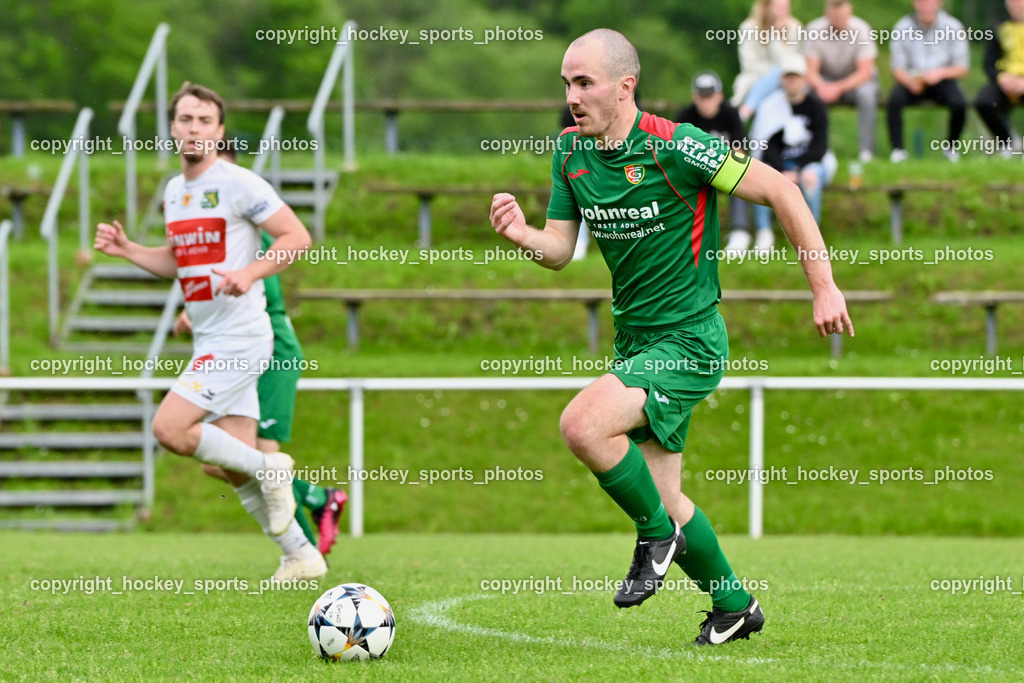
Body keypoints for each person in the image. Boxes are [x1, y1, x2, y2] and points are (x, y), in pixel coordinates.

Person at [490, 29, 853, 645]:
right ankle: (734, 606)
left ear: (624, 86)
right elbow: (560, 248)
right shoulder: (570, 155)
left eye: (584, 82)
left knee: (582, 425)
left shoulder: (679, 146)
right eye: (566, 84)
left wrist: (823, 286)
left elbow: (784, 190)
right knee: (668, 498)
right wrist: (525, 234)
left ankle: (654, 538)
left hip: (689, 341)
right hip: (635, 345)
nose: (573, 96)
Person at [94, 82, 325, 580]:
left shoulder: (240, 183)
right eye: (185, 120)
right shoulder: (176, 193)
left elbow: (297, 236)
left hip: (240, 339)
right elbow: (178, 262)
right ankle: (300, 554)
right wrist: (129, 250)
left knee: (169, 429)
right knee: (228, 463)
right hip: (211, 338)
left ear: (219, 132)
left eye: (204, 121)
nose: (194, 129)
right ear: (173, 128)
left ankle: (273, 471)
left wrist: (252, 273)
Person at [174, 230, 348, 562]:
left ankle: (307, 554)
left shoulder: (247, 228)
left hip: (272, 352)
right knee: (219, 463)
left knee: (263, 462)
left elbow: (256, 289)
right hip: (241, 354)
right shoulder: (216, 228)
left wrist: (197, 311)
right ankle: (318, 500)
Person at [756, 54, 837, 249]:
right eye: (788, 77)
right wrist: (783, 170)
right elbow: (766, 146)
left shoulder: (816, 107)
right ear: (782, 79)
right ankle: (763, 233)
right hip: (781, 165)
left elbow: (819, 146)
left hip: (809, 164)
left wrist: (798, 170)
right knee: (758, 175)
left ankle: (811, 238)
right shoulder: (771, 107)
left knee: (810, 177)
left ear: (804, 79)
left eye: (796, 77)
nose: (792, 81)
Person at [676, 71, 754, 254]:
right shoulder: (685, 115)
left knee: (739, 177)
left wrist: (718, 169)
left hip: (725, 168)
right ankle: (687, 234)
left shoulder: (731, 114)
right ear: (694, 97)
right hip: (695, 172)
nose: (706, 101)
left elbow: (739, 151)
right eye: (702, 97)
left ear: (719, 96)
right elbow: (675, 151)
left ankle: (740, 231)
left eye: (710, 96)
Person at [886, 0, 969, 162]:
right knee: (894, 99)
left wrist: (940, 73)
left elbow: (962, 68)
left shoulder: (953, 26)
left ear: (939, 3)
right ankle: (898, 150)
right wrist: (908, 81)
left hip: (942, 79)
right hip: (912, 80)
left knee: (959, 103)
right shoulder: (902, 27)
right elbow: (897, 67)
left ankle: (951, 147)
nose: (926, 5)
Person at [804, 0, 879, 162]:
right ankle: (813, 148)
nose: (840, 21)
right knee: (806, 92)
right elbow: (810, 71)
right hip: (825, 81)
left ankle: (866, 151)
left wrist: (837, 88)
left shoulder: (862, 30)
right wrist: (822, 86)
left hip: (854, 81)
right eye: (836, 17)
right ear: (827, 15)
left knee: (867, 94)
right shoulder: (814, 29)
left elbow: (865, 72)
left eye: (843, 17)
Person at [732, 0, 804, 123]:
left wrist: (775, 36)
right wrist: (772, 74)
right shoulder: (748, 27)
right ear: (766, 7)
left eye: (785, 8)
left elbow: (790, 65)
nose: (783, 12)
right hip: (754, 79)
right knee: (777, 73)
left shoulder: (794, 27)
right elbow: (749, 64)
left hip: (785, 82)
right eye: (778, 7)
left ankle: (747, 109)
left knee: (780, 72)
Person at [975, 0, 1024, 155]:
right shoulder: (998, 28)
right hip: (1006, 81)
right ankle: (1007, 142)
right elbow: (988, 64)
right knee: (983, 101)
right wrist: (1001, 78)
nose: (1016, 4)